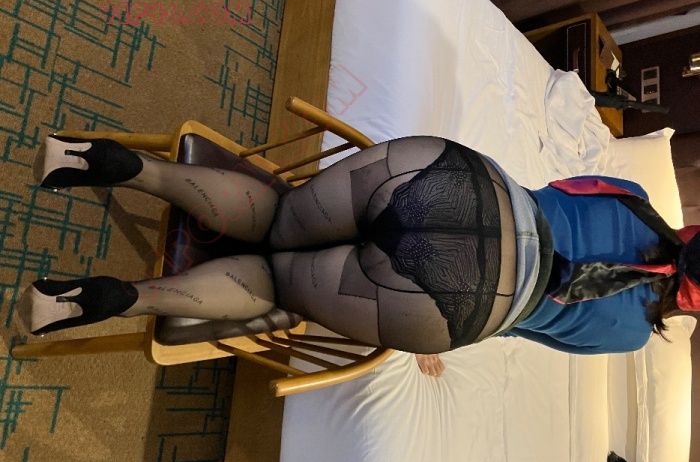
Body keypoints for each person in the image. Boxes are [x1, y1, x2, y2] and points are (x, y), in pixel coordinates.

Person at [19, 135, 700, 376]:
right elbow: (522, 326)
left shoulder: (634, 196)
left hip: (457, 181)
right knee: (277, 281)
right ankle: (119, 299)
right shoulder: (630, 336)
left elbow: (550, 193)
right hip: (463, 298)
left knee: (280, 214)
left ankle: (127, 165)